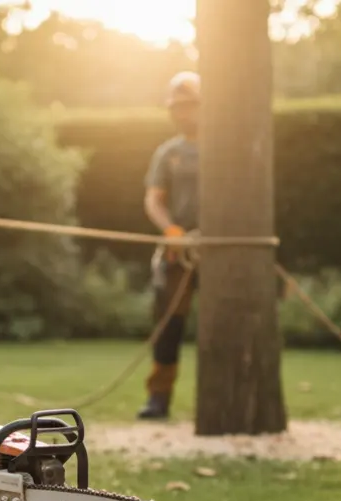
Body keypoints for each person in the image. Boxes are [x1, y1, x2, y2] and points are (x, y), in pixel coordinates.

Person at [138, 71, 201, 421]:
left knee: (222, 323)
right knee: (168, 326)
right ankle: (159, 398)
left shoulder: (225, 147)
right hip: (180, 251)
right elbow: (154, 199)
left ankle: (217, 394)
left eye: (189, 105)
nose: (181, 112)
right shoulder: (168, 153)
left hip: (220, 249)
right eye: (176, 107)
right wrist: (171, 230)